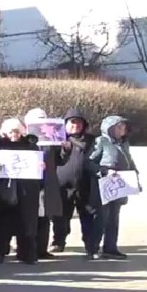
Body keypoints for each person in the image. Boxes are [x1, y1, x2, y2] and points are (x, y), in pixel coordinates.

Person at [0, 118, 43, 265]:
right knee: (2, 223)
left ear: (21, 132)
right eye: (11, 131)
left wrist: (40, 166)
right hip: (4, 189)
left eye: (16, 131)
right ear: (5, 132)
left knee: (26, 223)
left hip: (26, 190)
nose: (14, 134)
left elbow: (38, 167)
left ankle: (27, 254)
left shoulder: (30, 146)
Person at [87, 115, 137, 260]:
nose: (121, 130)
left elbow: (130, 162)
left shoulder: (124, 144)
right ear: (109, 128)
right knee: (101, 217)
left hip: (120, 184)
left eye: (123, 128)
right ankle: (93, 248)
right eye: (118, 127)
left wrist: (135, 177)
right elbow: (89, 163)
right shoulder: (101, 141)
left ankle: (110, 248)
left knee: (114, 218)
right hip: (105, 183)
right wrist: (105, 171)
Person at [53, 109, 96, 255]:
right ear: (65, 124)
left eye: (79, 123)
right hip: (63, 186)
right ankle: (58, 242)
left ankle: (90, 245)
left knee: (88, 216)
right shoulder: (57, 140)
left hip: (86, 185)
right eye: (72, 122)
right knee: (61, 217)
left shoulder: (91, 140)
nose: (76, 125)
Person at [23, 109, 64, 260]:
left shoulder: (51, 141)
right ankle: (28, 249)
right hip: (28, 183)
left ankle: (42, 249)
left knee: (44, 216)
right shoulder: (25, 139)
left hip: (46, 182)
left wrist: (64, 149)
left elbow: (60, 160)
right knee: (29, 217)